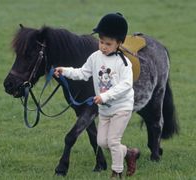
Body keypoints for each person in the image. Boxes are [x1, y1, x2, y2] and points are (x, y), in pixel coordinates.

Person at [54, 13, 140, 179]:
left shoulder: (124, 63)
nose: (103, 47)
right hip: (105, 110)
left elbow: (126, 85)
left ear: (119, 43)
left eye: (108, 44)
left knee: (113, 141)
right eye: (101, 42)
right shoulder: (95, 57)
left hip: (121, 107)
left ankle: (117, 172)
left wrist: (105, 96)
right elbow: (83, 73)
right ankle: (129, 153)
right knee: (102, 142)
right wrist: (64, 71)